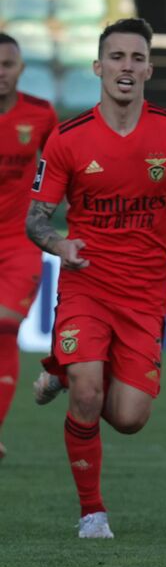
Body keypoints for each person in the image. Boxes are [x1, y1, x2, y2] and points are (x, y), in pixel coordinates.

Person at [25, 18, 166, 539]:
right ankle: (92, 513)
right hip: (86, 284)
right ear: (98, 67)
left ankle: (59, 365)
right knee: (89, 393)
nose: (126, 67)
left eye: (136, 58)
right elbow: (36, 219)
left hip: (145, 297)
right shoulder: (68, 139)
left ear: (149, 69)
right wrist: (59, 244)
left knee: (130, 417)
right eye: (116, 57)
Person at [0, 33, 58, 461]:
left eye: (8, 64)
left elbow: (62, 168)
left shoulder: (39, 115)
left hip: (19, 241)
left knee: (4, 326)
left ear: (21, 69)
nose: (0, 73)